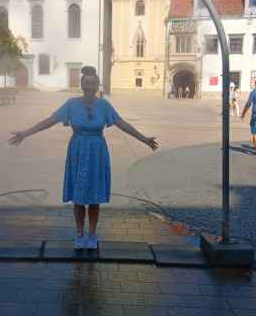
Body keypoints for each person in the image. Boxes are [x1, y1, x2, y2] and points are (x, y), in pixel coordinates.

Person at [9, 66, 159, 250]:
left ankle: (92, 233)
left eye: (93, 83)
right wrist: (25, 133)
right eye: (86, 83)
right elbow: (50, 120)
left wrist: (144, 139)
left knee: (94, 195)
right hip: (78, 150)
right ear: (82, 85)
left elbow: (122, 124)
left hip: (97, 151)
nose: (89, 86)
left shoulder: (104, 105)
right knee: (79, 196)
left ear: (97, 85)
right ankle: (79, 233)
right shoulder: (71, 104)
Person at [241, 80, 256, 156]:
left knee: (255, 133)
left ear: (255, 84)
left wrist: (243, 113)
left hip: (255, 115)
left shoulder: (253, 92)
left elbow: (248, 103)